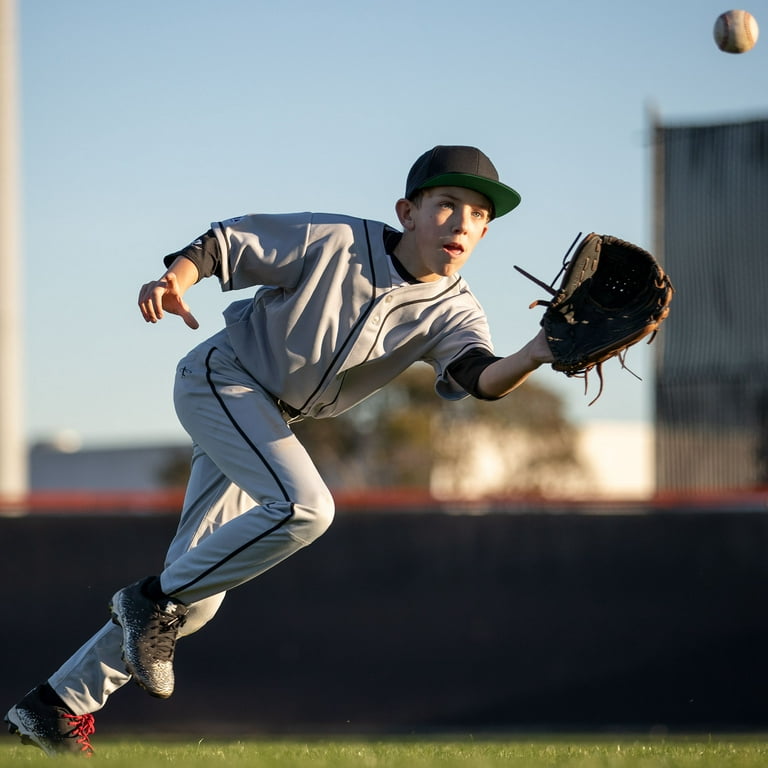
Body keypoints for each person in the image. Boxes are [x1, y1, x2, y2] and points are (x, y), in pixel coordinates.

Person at [5, 145, 554, 756]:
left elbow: (479, 376)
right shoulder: (337, 240)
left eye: (479, 214)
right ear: (407, 211)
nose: (462, 222)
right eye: (447, 204)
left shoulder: (456, 311)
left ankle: (54, 705)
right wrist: (174, 280)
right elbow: (226, 244)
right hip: (222, 378)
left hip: (267, 416)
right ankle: (146, 602)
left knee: (200, 598)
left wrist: (537, 352)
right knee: (305, 508)